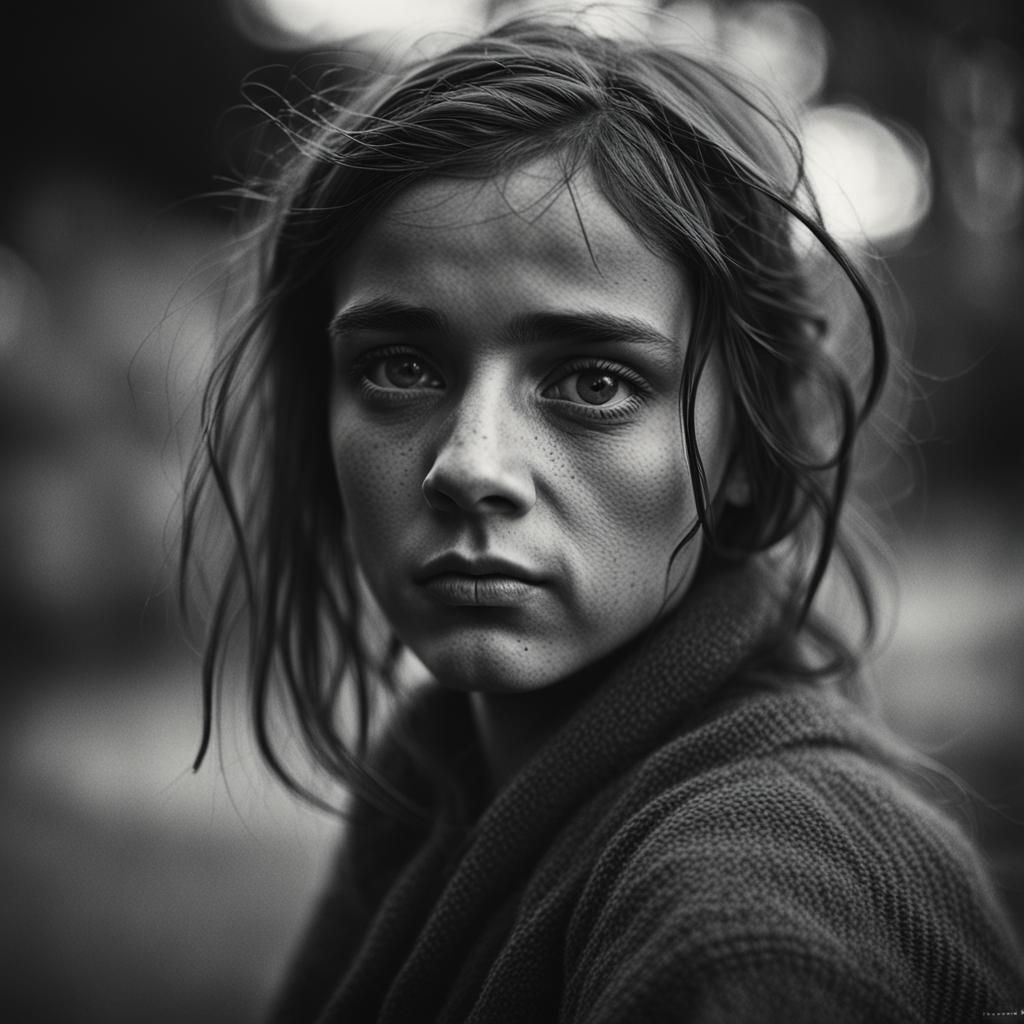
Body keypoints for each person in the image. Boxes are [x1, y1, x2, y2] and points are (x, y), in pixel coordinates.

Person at [181, 15, 1024, 1022]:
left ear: (750, 449)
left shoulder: (752, 900)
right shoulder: (438, 781)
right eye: (399, 367)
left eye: (593, 379)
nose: (469, 466)